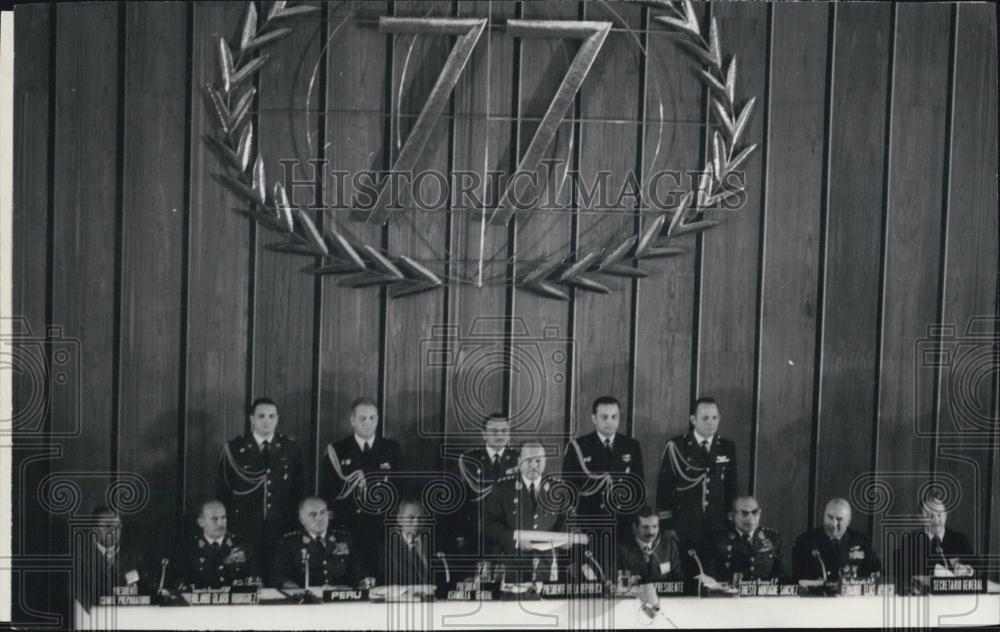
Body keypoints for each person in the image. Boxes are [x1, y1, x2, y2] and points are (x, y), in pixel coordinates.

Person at [217, 397, 305, 567]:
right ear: (252, 419)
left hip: (281, 525)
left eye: (272, 416)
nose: (267, 421)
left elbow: (298, 490)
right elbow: (223, 490)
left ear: (277, 418)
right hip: (244, 526)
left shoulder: (290, 447)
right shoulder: (234, 448)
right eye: (261, 416)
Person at [318, 397, 402, 573]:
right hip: (347, 525)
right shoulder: (337, 450)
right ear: (352, 421)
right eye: (363, 418)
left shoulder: (391, 449)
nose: (368, 423)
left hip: (381, 526)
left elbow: (400, 489)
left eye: (372, 418)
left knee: (380, 575)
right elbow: (327, 492)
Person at [656, 396, 737, 576]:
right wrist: (667, 526)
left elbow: (731, 489)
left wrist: (730, 524)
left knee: (715, 577)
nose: (711, 422)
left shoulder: (726, 447)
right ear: (693, 419)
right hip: (685, 526)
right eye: (705, 418)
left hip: (717, 527)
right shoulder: (677, 446)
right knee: (686, 576)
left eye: (715, 418)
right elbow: (664, 490)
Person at [485, 442, 569, 582]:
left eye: (538, 461)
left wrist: (566, 537)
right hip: (511, 563)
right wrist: (516, 541)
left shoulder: (558, 489)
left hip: (546, 565)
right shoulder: (503, 488)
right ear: (519, 461)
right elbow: (489, 525)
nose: (534, 466)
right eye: (528, 460)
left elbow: (568, 520)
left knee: (546, 603)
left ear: (545, 462)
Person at [561, 396, 645, 518]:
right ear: (594, 418)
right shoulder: (578, 446)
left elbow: (639, 486)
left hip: (623, 520)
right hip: (588, 518)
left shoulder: (631, 445)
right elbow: (568, 487)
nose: (609, 422)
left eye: (614, 417)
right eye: (604, 417)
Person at [451, 414, 520, 553]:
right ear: (484, 434)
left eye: (504, 431)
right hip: (476, 533)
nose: (499, 435)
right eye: (494, 431)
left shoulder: (519, 459)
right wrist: (460, 534)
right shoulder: (469, 460)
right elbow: (459, 499)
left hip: (508, 534)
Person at [270, 497, 373, 589]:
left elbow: (359, 572)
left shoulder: (344, 538)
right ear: (302, 520)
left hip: (338, 599)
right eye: (312, 514)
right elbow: (279, 577)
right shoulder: (290, 542)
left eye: (323, 512)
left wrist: (364, 582)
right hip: (305, 601)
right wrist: (303, 590)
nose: (319, 518)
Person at [892, 496, 977, 590]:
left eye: (939, 514)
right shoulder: (911, 541)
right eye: (930, 516)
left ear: (946, 514)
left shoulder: (960, 539)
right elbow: (910, 571)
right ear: (920, 518)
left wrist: (968, 569)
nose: (936, 520)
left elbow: (976, 566)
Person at [74, 507, 149, 611]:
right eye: (108, 526)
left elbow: (145, 591)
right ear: (94, 530)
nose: (113, 531)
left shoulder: (134, 557)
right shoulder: (79, 558)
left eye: (117, 526)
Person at [172, 500, 256, 590]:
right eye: (214, 519)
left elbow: (254, 580)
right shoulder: (188, 548)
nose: (220, 523)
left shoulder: (242, 545)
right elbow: (180, 582)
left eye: (223, 518)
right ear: (201, 522)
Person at [792, 498, 881, 582]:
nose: (833, 524)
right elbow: (799, 577)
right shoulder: (806, 541)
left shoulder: (860, 541)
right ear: (823, 516)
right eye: (830, 517)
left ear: (848, 521)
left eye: (839, 519)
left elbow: (876, 571)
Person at [708, 496, 786, 582]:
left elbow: (782, 574)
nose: (750, 517)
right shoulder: (718, 539)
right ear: (731, 516)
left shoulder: (773, 538)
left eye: (755, 512)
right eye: (743, 513)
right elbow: (709, 574)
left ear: (759, 514)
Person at [616, 506, 683, 585]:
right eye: (645, 527)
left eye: (655, 526)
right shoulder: (621, 549)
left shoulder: (670, 546)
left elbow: (679, 578)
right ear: (634, 528)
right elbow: (613, 579)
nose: (651, 532)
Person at [377, 499, 437, 586]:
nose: (416, 523)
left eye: (420, 518)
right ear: (400, 520)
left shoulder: (435, 544)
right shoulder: (386, 549)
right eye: (411, 518)